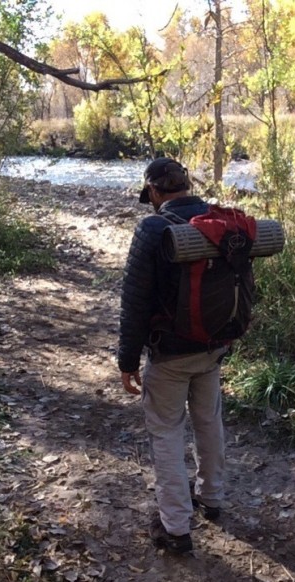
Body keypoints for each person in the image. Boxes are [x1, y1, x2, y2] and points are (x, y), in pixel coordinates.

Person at [118, 157, 226, 555]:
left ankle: (176, 528)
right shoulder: (215, 219)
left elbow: (135, 303)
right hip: (213, 347)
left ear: (154, 191)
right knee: (208, 421)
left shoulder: (152, 229)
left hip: (170, 355)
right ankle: (211, 498)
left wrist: (127, 361)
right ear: (186, 185)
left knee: (166, 432)